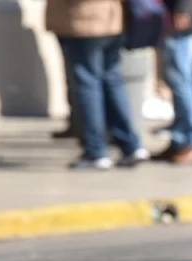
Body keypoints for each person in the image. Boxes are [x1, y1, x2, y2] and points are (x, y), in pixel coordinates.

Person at [45, 0, 150, 170]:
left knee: (88, 83)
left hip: (84, 19)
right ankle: (131, 145)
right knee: (112, 80)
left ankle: (96, 151)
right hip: (112, 18)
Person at [158, 0, 192, 163]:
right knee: (190, 79)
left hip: (183, 14)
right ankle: (181, 140)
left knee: (181, 82)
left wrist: (183, 9)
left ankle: (190, 141)